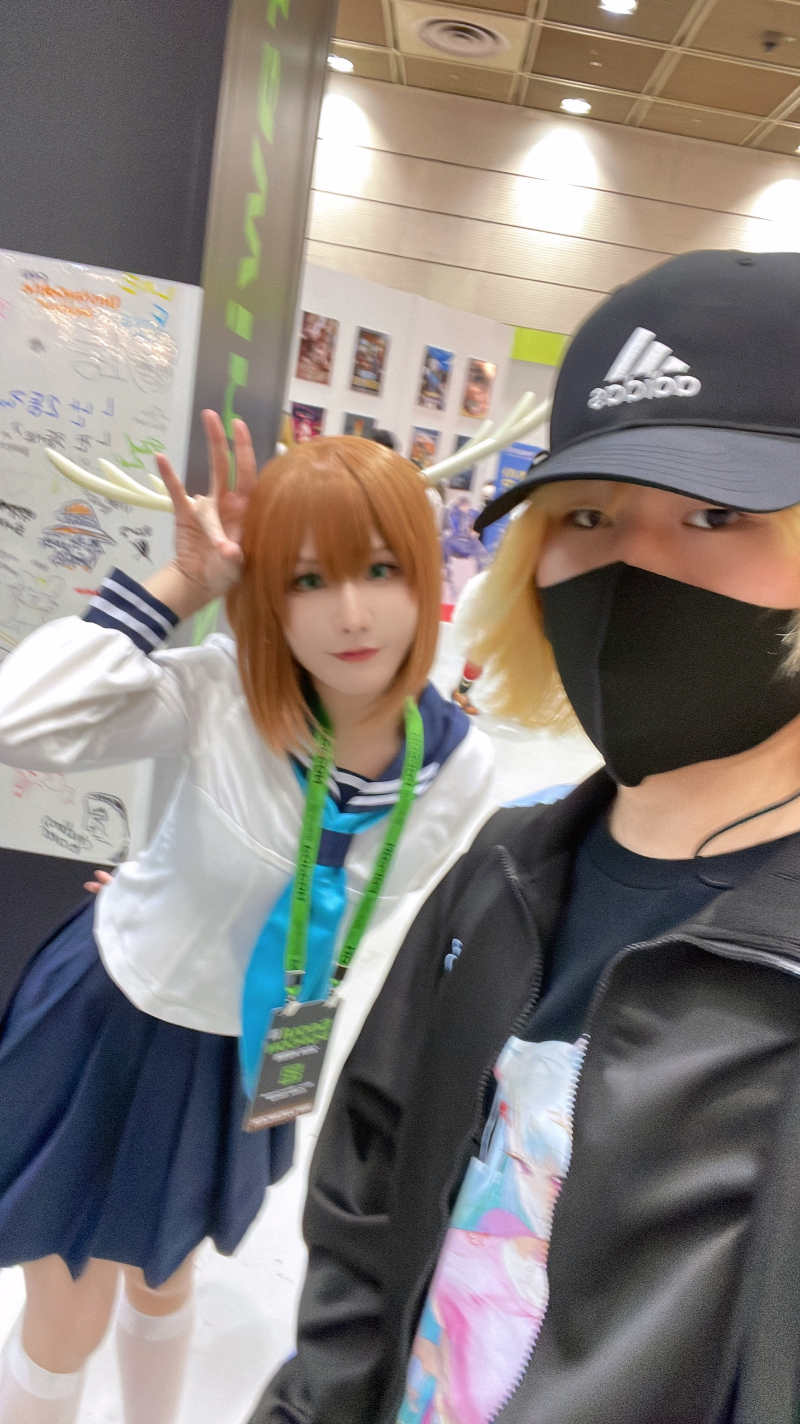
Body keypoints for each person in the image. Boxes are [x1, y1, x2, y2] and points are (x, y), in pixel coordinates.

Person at [254, 250, 800, 1424]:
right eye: (586, 514)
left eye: (716, 513)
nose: (632, 563)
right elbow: (362, 1217)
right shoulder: (502, 870)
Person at [0, 417, 494, 1424]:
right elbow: (20, 720)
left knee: (165, 1273)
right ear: (270, 594)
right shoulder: (227, 692)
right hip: (112, 1015)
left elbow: (366, 920)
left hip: (249, 1047)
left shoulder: (459, 771)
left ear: (425, 576)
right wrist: (181, 585)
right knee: (70, 1305)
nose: (350, 613)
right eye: (308, 579)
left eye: (381, 569)